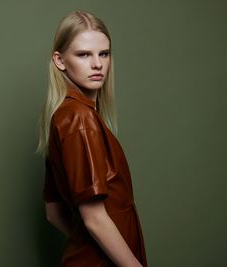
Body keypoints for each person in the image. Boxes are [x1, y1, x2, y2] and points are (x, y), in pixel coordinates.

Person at [37, 11, 148, 267]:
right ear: (60, 60)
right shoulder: (79, 119)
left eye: (104, 53)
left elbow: (53, 212)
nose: (97, 64)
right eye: (84, 54)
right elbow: (95, 219)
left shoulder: (65, 115)